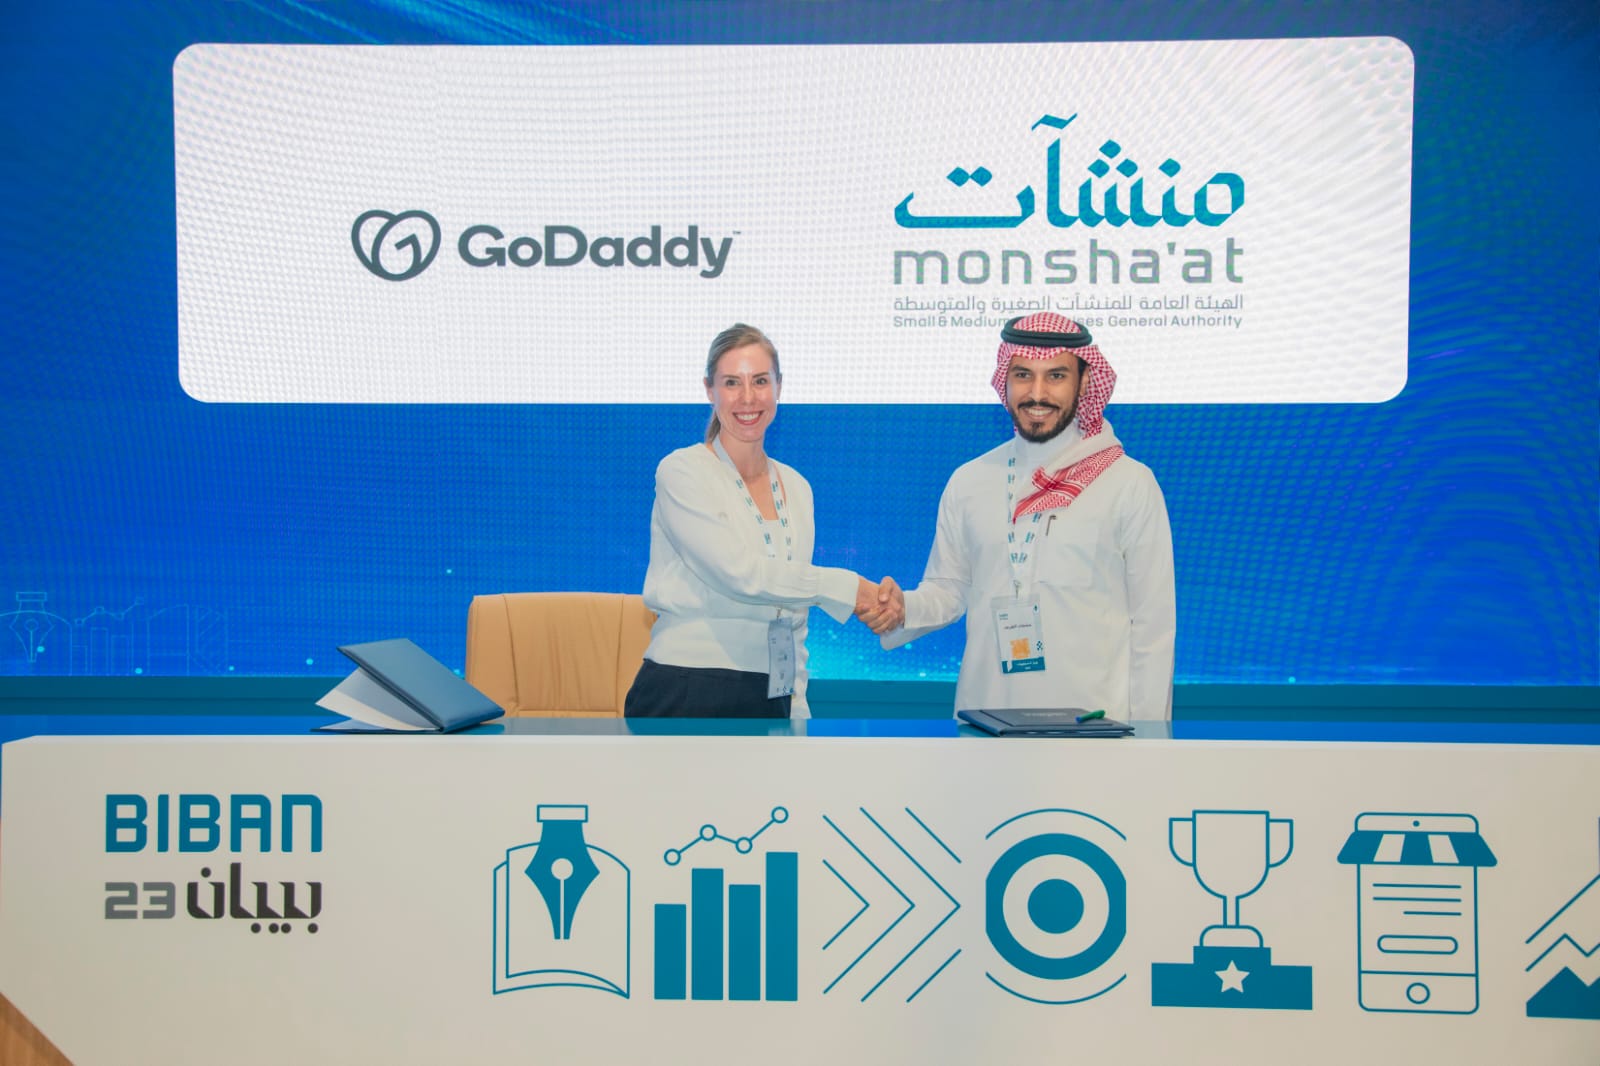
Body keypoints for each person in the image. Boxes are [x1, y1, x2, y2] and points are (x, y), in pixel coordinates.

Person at [864, 311, 1175, 720]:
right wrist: (904, 608)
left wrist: (1150, 739)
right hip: (986, 720)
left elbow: (1153, 626)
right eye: (1023, 375)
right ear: (1005, 381)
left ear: (1085, 382)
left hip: (1093, 731)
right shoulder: (970, 480)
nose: (1037, 393)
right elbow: (949, 589)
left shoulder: (1128, 483)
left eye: (1056, 376)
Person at [625, 324, 901, 719]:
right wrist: (849, 587)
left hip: (772, 692)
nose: (748, 397)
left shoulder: (797, 487)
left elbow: (795, 616)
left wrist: (797, 707)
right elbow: (738, 574)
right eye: (731, 383)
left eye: (760, 381)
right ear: (709, 390)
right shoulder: (682, 471)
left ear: (779, 387)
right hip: (685, 686)